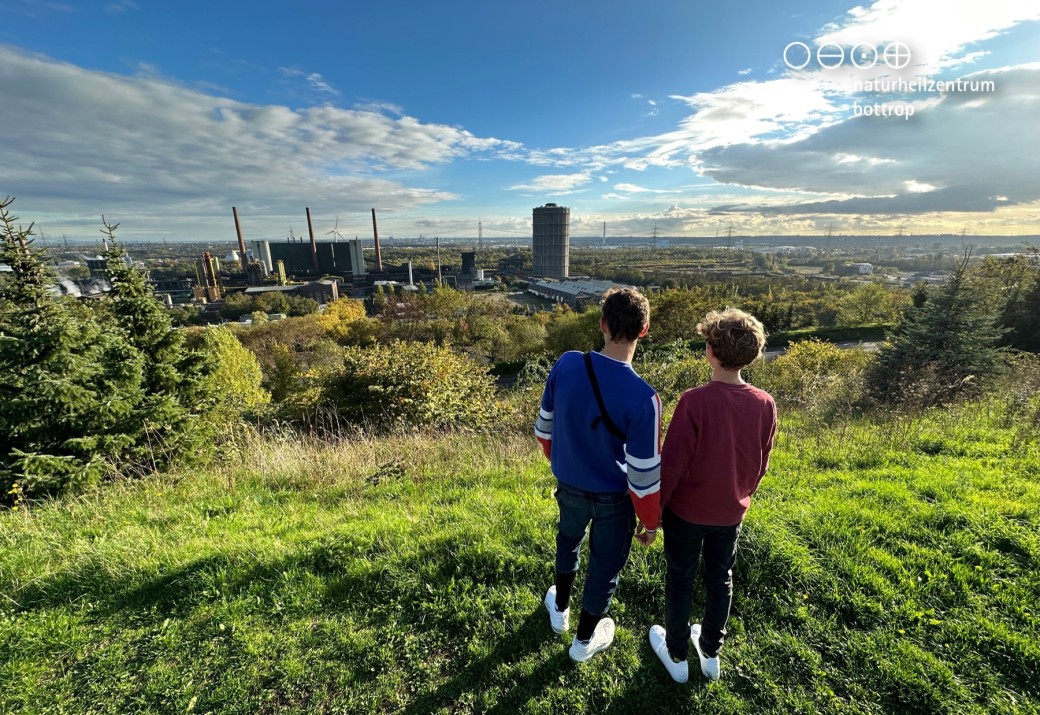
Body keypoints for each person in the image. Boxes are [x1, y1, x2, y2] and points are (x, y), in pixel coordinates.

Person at [644, 308, 777, 683]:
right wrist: (743, 494)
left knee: (680, 578)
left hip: (686, 512)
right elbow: (761, 460)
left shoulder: (694, 401)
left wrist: (652, 516)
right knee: (721, 579)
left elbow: (670, 466)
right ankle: (711, 652)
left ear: (711, 352)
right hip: (730, 512)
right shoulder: (765, 403)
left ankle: (675, 653)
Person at [534, 287, 662, 663]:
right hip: (614, 499)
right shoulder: (645, 399)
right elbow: (643, 475)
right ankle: (583, 641)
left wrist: (563, 463)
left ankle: (559, 610)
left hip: (569, 484)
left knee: (568, 540)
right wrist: (650, 521)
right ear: (644, 330)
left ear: (602, 324)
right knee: (605, 565)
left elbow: (544, 429)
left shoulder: (567, 364)